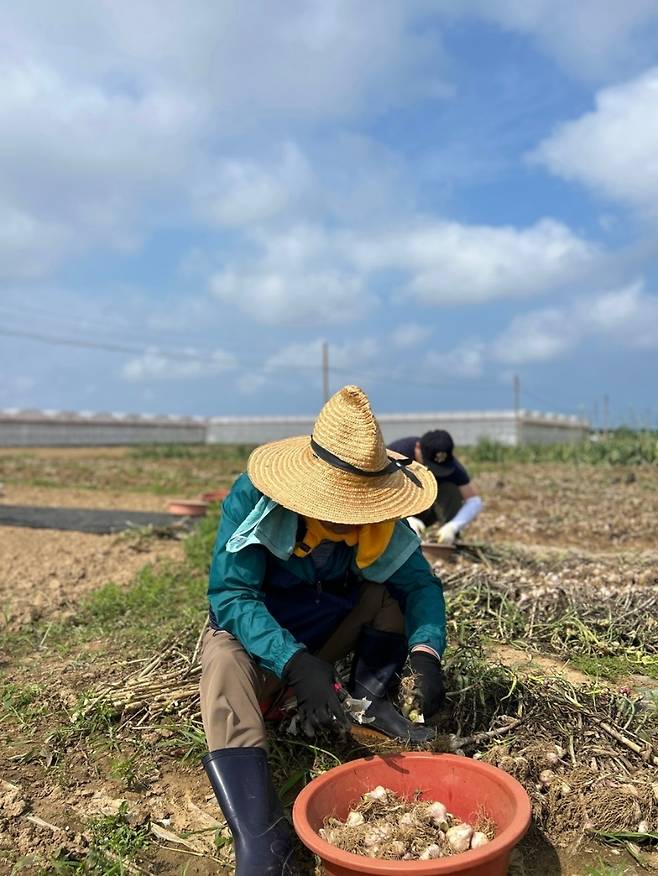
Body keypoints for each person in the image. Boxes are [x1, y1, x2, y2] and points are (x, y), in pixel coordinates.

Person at [199, 385, 447, 875]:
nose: (350, 517)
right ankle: (260, 835)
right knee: (223, 658)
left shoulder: (382, 519)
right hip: (265, 639)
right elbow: (231, 596)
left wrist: (426, 653)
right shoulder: (255, 499)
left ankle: (368, 698)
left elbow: (421, 587)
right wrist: (293, 662)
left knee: (389, 596)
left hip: (329, 630)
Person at [388, 430, 483, 545]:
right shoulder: (397, 453)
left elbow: (474, 501)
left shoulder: (451, 466)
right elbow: (376, 492)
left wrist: (452, 527)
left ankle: (447, 540)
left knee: (450, 488)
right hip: (395, 510)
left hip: (428, 509)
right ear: (418, 448)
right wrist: (405, 519)